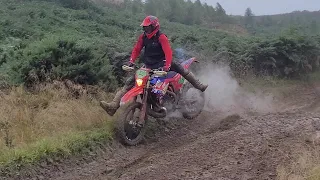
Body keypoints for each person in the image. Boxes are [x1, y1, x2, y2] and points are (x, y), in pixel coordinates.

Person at [100, 15, 208, 116]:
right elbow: (136, 49)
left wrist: (167, 65)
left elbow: (168, 52)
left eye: (147, 28)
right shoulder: (143, 37)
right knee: (130, 82)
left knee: (182, 71)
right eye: (144, 28)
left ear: (154, 26)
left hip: (164, 62)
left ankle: (199, 86)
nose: (145, 30)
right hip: (149, 65)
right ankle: (113, 106)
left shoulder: (161, 37)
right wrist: (131, 61)